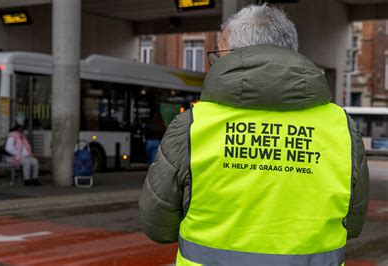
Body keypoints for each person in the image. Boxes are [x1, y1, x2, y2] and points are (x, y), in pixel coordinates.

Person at [139, 4, 369, 266]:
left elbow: (157, 225)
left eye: (218, 54)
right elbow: (353, 224)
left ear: (236, 56)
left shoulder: (193, 126)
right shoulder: (341, 128)